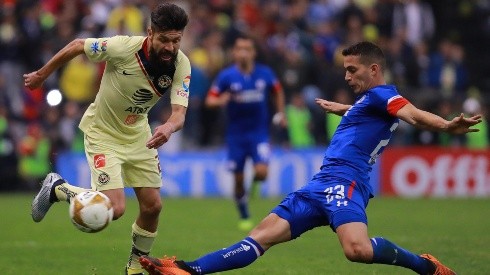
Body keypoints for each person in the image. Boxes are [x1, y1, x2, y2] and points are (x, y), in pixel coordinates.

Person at [138, 41, 482, 275]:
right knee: (260, 236)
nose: (346, 76)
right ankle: (186, 268)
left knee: (356, 251)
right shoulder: (370, 101)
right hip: (319, 183)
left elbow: (413, 114)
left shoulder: (384, 95)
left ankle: (425, 266)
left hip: (346, 183)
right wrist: (346, 109)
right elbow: (375, 113)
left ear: (374, 69)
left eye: (352, 70)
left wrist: (447, 125)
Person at [24, 3, 190, 275]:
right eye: (164, 39)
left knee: (153, 206)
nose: (170, 47)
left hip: (139, 136)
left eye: (176, 40)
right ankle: (58, 188)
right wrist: (42, 75)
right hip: (103, 133)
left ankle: (134, 268)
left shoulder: (181, 63)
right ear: (150, 33)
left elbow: (179, 113)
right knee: (114, 208)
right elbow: (78, 44)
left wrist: (169, 128)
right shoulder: (123, 48)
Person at [204, 34, 287, 231]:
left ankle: (256, 184)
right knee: (238, 179)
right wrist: (220, 100)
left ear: (253, 53)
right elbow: (209, 100)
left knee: (262, 172)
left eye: (247, 49)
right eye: (239, 49)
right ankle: (243, 212)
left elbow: (277, 90)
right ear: (234, 52)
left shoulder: (265, 73)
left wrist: (281, 112)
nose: (243, 53)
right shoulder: (226, 76)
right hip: (236, 135)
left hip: (259, 133)